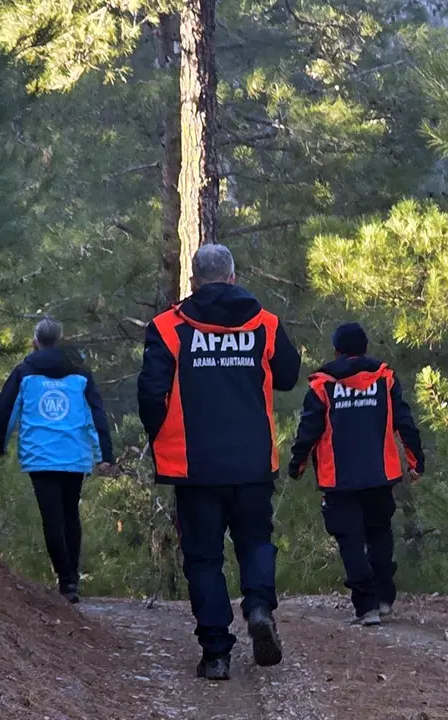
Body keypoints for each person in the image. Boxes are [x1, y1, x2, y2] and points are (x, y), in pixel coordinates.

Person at [137, 244, 301, 681]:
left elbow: (151, 393)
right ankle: (259, 606)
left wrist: (158, 436)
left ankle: (215, 654)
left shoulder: (168, 328)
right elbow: (287, 376)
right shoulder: (264, 323)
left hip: (195, 466)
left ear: (193, 281)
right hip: (251, 462)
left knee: (204, 558)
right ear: (232, 277)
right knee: (255, 542)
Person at [288, 322, 424, 627]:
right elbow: (404, 420)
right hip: (380, 473)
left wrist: (296, 465)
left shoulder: (323, 385)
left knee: (350, 540)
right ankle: (385, 597)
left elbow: (308, 430)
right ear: (364, 349)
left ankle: (367, 607)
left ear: (337, 350)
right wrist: (416, 461)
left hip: (339, 479)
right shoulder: (384, 379)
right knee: (379, 533)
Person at [0, 317, 114, 604]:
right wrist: (104, 455)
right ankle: (72, 579)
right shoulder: (81, 373)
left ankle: (66, 581)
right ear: (61, 340)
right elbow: (96, 414)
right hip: (74, 455)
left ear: (36, 342)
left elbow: (6, 412)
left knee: (52, 517)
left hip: (40, 456)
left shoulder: (24, 372)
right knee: (70, 513)